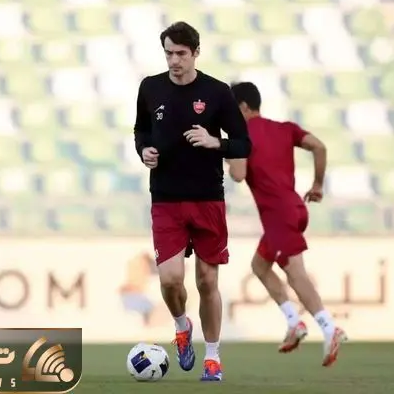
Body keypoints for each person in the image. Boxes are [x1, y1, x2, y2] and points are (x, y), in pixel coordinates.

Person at [133, 22, 251, 381]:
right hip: (166, 198)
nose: (174, 60)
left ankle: (212, 357)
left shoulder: (216, 92)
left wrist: (217, 143)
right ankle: (182, 325)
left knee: (207, 281)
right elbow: (141, 130)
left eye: (181, 53)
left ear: (196, 53)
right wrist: (144, 150)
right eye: (168, 53)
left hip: (207, 198)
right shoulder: (150, 87)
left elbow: (244, 143)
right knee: (170, 280)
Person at [227, 82, 347, 367]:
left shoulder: (241, 134)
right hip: (295, 208)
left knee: (295, 274)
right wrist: (317, 184)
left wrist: (228, 152)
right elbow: (319, 146)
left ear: (243, 106)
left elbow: (238, 174)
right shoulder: (284, 128)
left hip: (278, 215)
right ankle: (294, 322)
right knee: (259, 266)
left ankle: (329, 328)